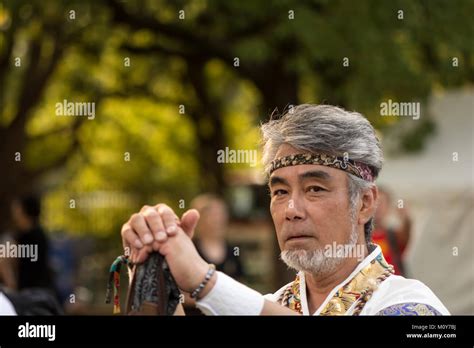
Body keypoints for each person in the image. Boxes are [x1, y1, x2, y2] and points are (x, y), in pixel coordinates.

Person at [120, 104, 449, 315]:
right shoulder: (274, 303)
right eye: (280, 190)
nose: (291, 209)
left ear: (364, 203)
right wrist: (152, 267)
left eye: (314, 189)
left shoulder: (414, 307)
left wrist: (205, 282)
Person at [183, 194, 244, 314]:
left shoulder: (233, 251)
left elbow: (240, 286)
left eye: (221, 214)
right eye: (213, 215)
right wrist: (214, 301)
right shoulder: (189, 249)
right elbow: (178, 293)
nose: (218, 219)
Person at [372, 187, 410, 276]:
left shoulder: (393, 237)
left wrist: (406, 219)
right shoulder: (359, 237)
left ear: (388, 207)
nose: (378, 208)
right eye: (375, 203)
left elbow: (405, 236)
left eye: (382, 203)